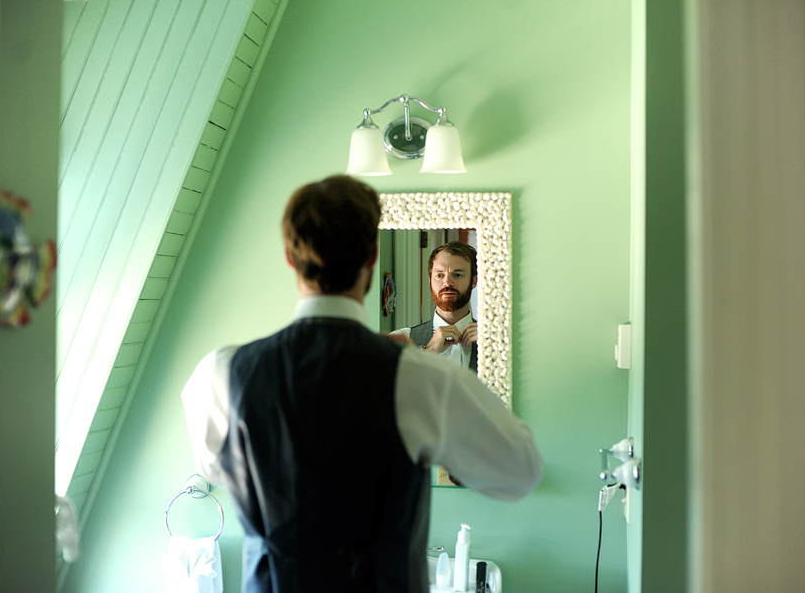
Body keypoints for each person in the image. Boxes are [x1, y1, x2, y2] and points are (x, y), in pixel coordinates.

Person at [180, 175, 543, 593]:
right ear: (372, 258)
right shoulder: (422, 377)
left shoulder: (221, 372)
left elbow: (217, 469)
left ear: (290, 259)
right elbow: (521, 472)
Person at [392, 241, 479, 371]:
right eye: (440, 275)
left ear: (474, 281)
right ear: (430, 281)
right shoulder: (402, 340)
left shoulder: (498, 343)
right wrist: (429, 350)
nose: (447, 283)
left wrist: (495, 350)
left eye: (457, 275)